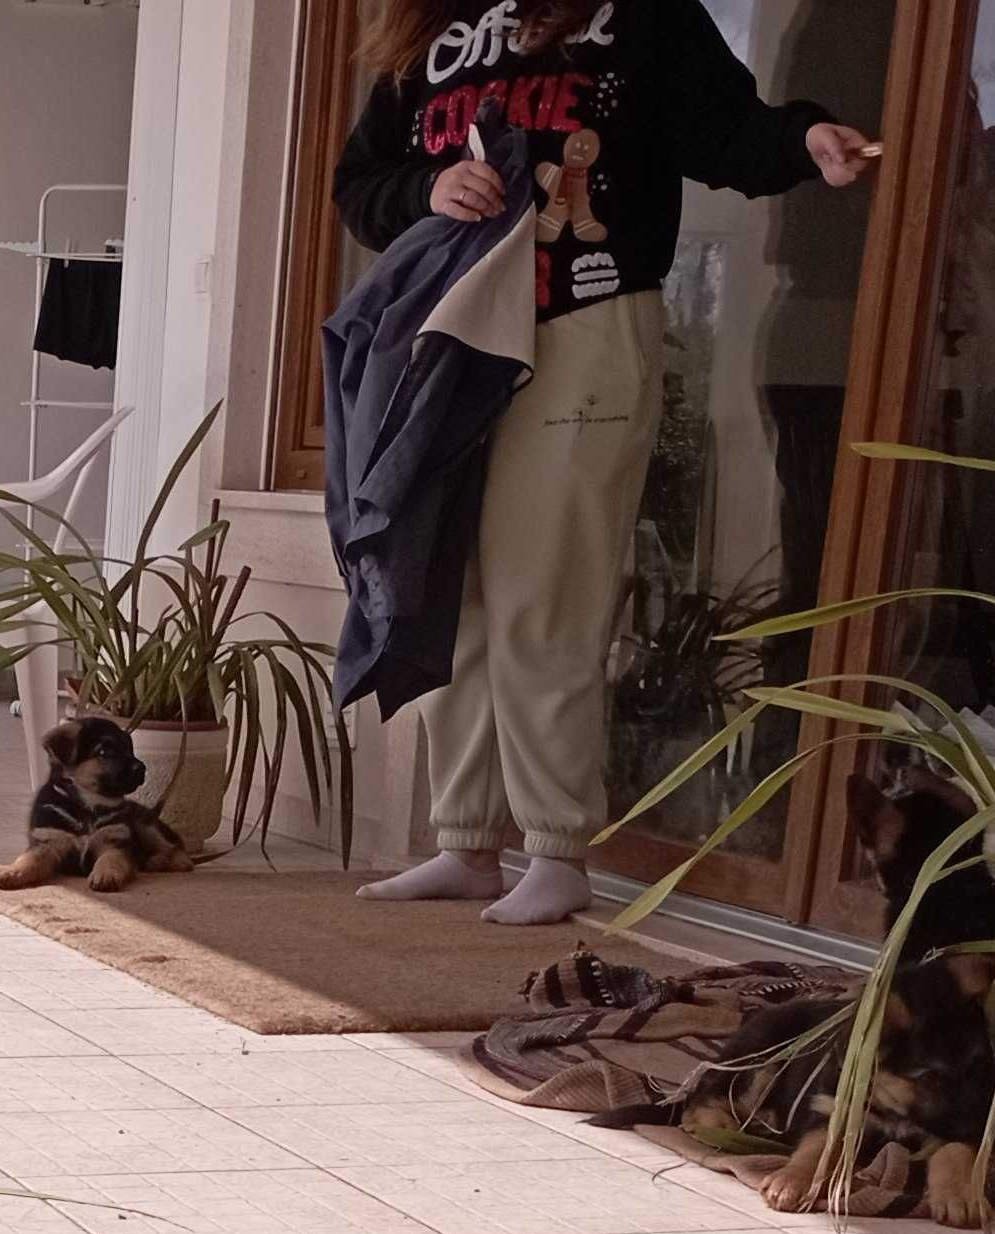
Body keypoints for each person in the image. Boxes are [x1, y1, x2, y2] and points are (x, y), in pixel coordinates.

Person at [335, 0, 874, 926]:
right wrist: (428, 192)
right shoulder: (424, 25)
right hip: (450, 332)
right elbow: (361, 184)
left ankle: (556, 848)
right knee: (448, 576)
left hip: (585, 319)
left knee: (546, 586)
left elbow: (724, 127)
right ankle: (466, 842)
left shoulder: (638, 13)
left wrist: (804, 138)